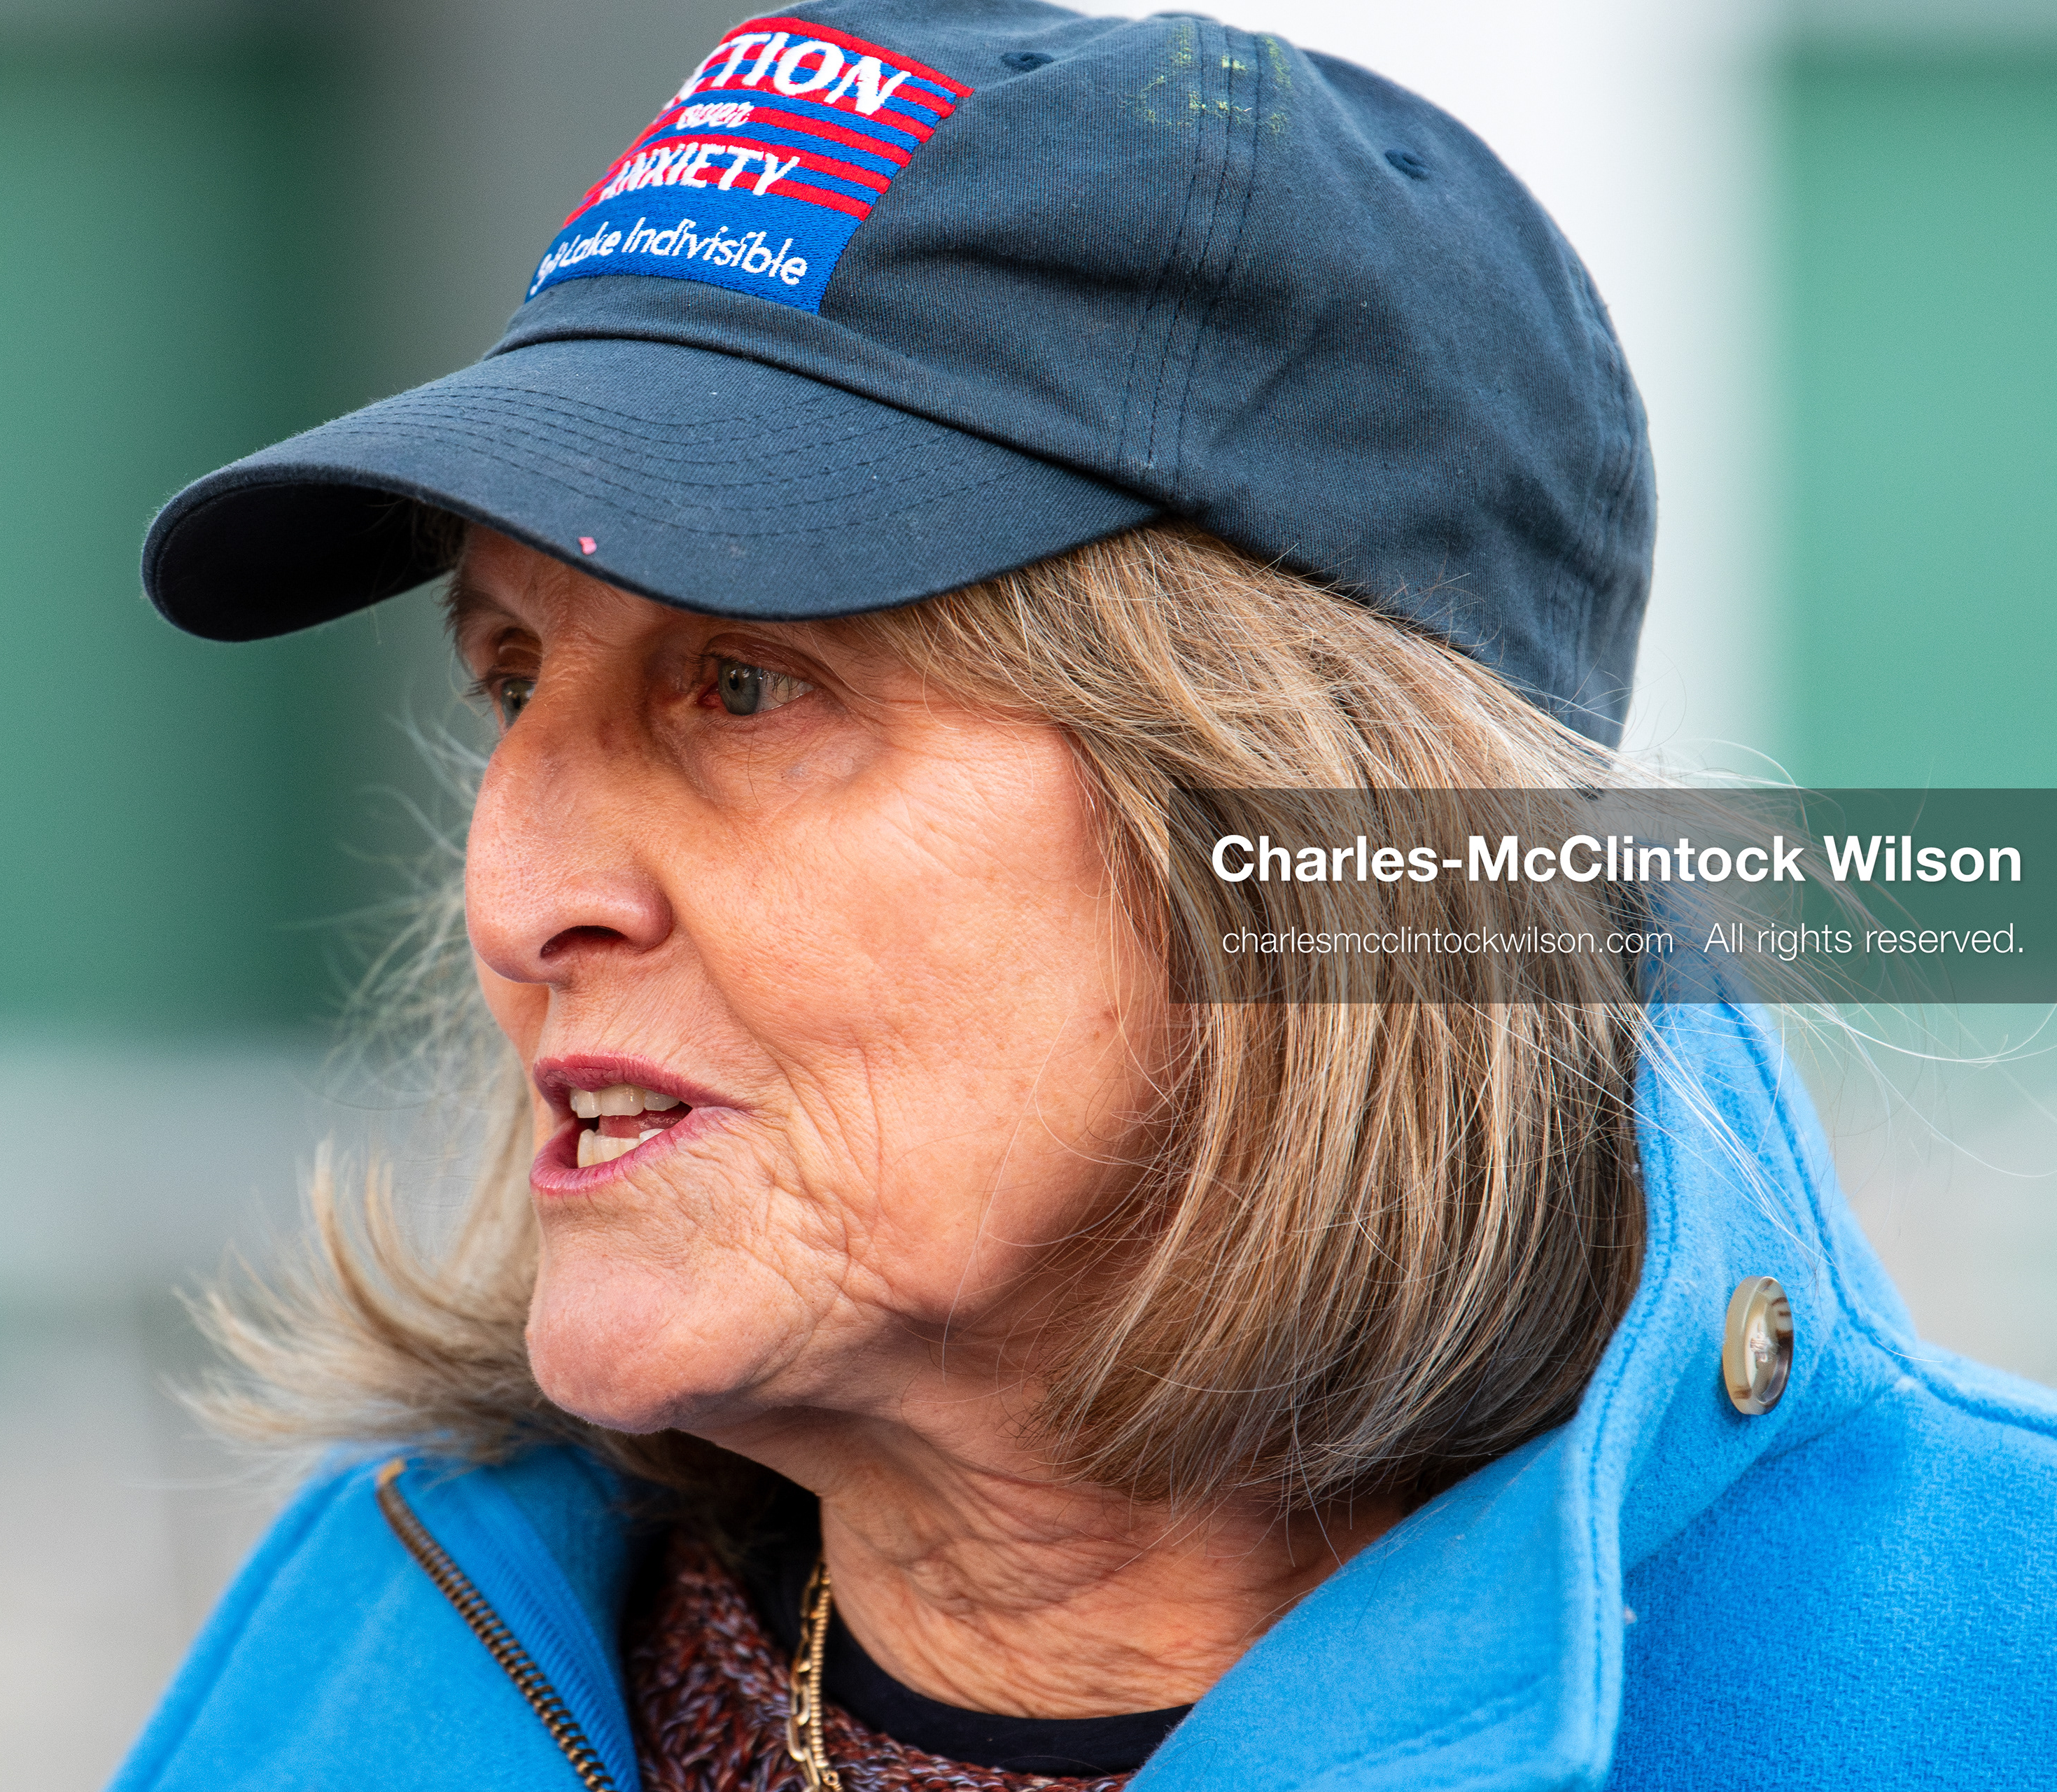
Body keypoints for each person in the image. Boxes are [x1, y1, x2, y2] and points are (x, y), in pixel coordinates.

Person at [110, 6, 2057, 1788]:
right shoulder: (368, 1654)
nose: (518, 892)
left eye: (746, 685)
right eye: (514, 680)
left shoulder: (1980, 1681)